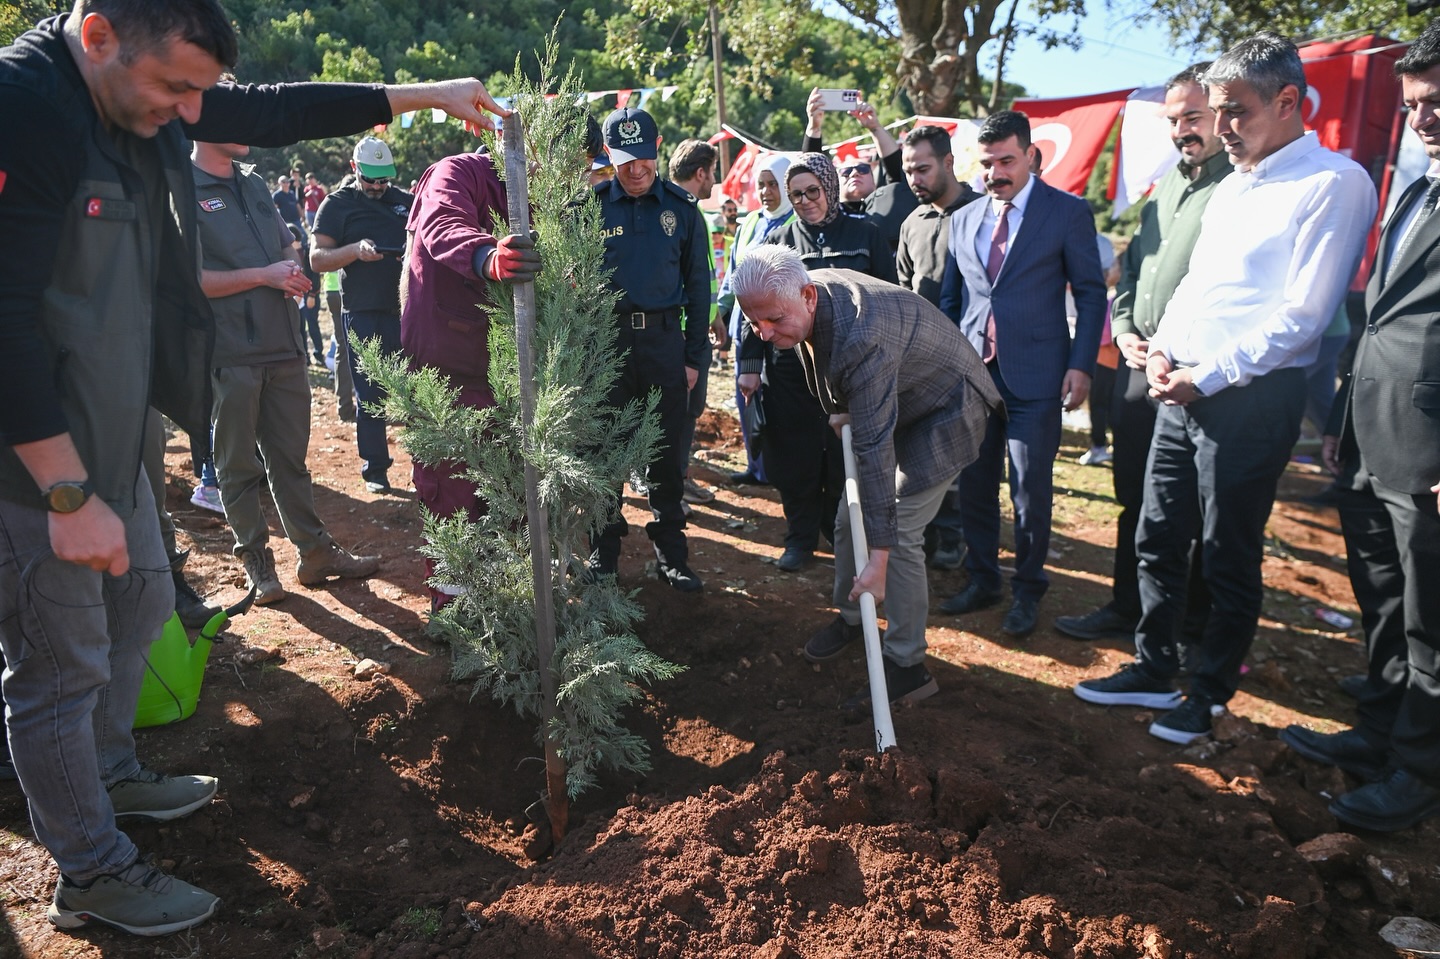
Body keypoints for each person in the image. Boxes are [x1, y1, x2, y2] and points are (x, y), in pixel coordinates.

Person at [0, 0, 508, 935]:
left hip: (118, 428)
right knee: (60, 665)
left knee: (144, 600)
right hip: (33, 462)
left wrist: (425, 95)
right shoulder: (22, 107)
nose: (193, 111)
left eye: (203, 90)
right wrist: (66, 492)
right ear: (99, 34)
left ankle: (113, 771)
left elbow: (276, 109)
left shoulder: (145, 93)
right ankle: (91, 870)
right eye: (177, 89)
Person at [1072, 33, 1377, 744]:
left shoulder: (1335, 183)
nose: (1221, 127)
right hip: (1177, 387)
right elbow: (1200, 289)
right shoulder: (1238, 179)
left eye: (1235, 111)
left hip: (1249, 401)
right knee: (1155, 533)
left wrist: (1201, 376)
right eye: (1216, 111)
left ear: (1288, 101)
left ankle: (1207, 694)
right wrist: (1162, 353)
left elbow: (1302, 319)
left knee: (1226, 552)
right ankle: (1153, 664)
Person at [1279, 20, 1440, 832]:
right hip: (1372, 430)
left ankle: (1416, 775)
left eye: (1438, 102)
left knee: (1432, 617)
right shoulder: (1414, 189)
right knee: (1382, 599)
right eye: (1415, 105)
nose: (1425, 119)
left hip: (1432, 453)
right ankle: (1379, 730)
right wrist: (1338, 417)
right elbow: (1377, 320)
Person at [733, 245, 1002, 706]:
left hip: (946, 408)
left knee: (898, 536)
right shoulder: (793, 295)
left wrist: (877, 563)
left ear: (809, 296)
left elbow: (874, 451)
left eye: (774, 320)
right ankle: (854, 616)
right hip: (901, 393)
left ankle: (907, 665)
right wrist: (842, 407)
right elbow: (810, 347)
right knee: (844, 520)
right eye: (756, 322)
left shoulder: (864, 337)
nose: (764, 331)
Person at [1053, 64, 1231, 644]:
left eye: (1194, 117)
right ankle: (1126, 607)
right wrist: (1125, 326)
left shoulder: (1242, 185)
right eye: (1174, 118)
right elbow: (1132, 272)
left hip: (1201, 374)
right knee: (1135, 496)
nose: (1183, 129)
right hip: (1139, 369)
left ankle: (1189, 629)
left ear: (1223, 111)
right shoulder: (1163, 188)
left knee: (1199, 513)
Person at [936, 109, 1106, 637]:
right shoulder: (962, 218)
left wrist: (1081, 365)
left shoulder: (1067, 212)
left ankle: (1028, 589)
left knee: (1031, 489)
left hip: (1039, 377)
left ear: (1032, 156)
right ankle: (983, 578)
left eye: (1006, 160)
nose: (995, 173)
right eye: (987, 163)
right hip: (974, 376)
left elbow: (1091, 292)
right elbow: (952, 297)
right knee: (975, 485)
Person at [192, 138, 382, 604]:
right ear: (202, 119)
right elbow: (190, 280)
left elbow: (287, 244)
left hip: (284, 344)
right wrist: (265, 275)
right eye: (234, 113)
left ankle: (315, 553)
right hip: (231, 351)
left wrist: (293, 268)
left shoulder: (253, 181)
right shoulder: (180, 188)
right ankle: (257, 562)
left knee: (290, 461)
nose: (248, 127)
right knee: (237, 465)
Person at [400, 122, 572, 608]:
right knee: (453, 492)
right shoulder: (458, 173)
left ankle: (503, 606)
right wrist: (486, 257)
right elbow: (442, 223)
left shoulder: (546, 198)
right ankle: (454, 613)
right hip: (450, 368)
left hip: (512, 374)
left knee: (510, 494)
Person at [740, 153, 895, 574]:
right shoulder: (780, 239)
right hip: (791, 368)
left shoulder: (867, 234)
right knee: (795, 455)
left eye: (813, 191)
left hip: (852, 368)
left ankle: (837, 533)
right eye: (796, 194)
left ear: (829, 188)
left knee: (841, 455)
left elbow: (889, 298)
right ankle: (800, 538)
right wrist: (750, 360)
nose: (806, 200)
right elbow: (752, 304)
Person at [589, 107, 711, 592]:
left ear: (657, 148)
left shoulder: (681, 210)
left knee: (666, 455)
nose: (635, 170)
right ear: (609, 157)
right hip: (609, 347)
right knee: (606, 452)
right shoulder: (590, 208)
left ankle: (672, 557)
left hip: (664, 343)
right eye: (623, 161)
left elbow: (699, 289)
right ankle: (602, 557)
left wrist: (693, 359)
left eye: (642, 159)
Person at [895, 123, 981, 571]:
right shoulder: (912, 223)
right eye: (909, 170)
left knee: (966, 457)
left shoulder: (984, 214)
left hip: (975, 362)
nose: (914, 179)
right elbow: (905, 292)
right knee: (921, 451)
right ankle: (928, 534)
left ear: (948, 162)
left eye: (923, 169)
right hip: (921, 360)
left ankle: (959, 539)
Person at [311, 136, 415, 494]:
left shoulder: (404, 201)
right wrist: (354, 251)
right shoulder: (336, 205)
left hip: (405, 309)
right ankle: (375, 469)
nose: (377, 186)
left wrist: (410, 253)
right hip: (361, 309)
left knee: (413, 390)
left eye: (383, 179)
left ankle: (424, 465)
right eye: (371, 179)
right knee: (369, 394)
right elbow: (317, 258)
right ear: (355, 169)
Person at [717, 152, 796, 487]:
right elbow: (733, 273)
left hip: (779, 330)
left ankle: (780, 468)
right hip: (744, 329)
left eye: (772, 184)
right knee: (746, 395)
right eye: (761, 185)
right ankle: (757, 466)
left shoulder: (795, 221)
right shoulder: (749, 222)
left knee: (778, 399)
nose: (766, 192)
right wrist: (719, 312)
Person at [666, 139, 724, 509]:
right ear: (700, 172)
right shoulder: (680, 211)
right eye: (713, 172)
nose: (714, 181)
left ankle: (679, 481)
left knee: (689, 412)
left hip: (693, 328)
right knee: (679, 414)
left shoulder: (689, 210)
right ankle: (670, 489)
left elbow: (703, 278)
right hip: (680, 334)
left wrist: (714, 315)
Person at [802, 90, 918, 250]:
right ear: (834, 183)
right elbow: (808, 178)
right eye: (846, 172)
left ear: (875, 180)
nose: (854, 173)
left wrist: (875, 127)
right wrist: (814, 127)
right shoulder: (826, 213)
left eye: (862, 169)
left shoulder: (891, 203)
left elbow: (897, 168)